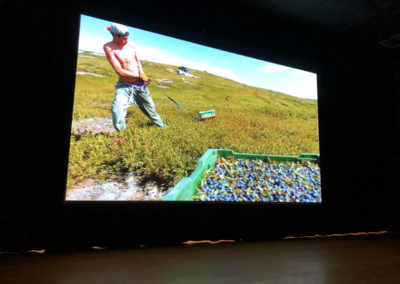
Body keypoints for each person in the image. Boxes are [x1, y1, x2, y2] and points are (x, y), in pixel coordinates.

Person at [103, 23, 166, 130]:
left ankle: (162, 127)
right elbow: (120, 71)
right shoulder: (108, 47)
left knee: (151, 111)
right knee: (116, 109)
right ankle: (121, 133)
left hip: (140, 86)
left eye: (127, 38)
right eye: (124, 39)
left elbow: (137, 61)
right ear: (115, 35)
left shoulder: (132, 45)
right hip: (124, 86)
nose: (126, 41)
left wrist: (142, 74)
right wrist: (139, 75)